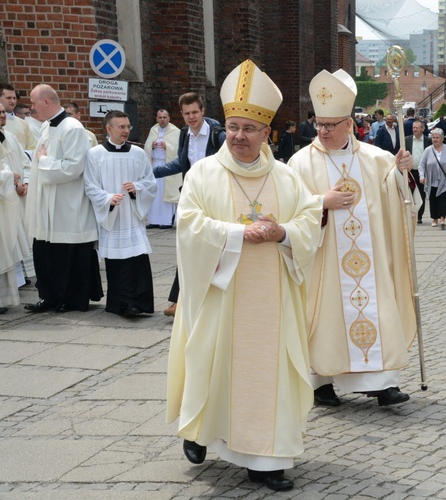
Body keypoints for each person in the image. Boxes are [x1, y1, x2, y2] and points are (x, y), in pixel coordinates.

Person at [166, 59, 321, 492]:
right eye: (232, 127)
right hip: (221, 296)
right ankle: (200, 433)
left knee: (268, 374)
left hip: (272, 301)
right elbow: (189, 225)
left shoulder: (286, 178)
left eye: (248, 129)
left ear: (266, 133)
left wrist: (283, 232)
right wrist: (237, 234)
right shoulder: (203, 174)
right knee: (212, 366)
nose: (238, 136)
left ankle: (265, 458)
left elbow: (310, 220)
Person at [288, 68, 419, 408]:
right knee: (324, 317)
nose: (323, 131)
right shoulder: (300, 163)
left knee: (376, 311)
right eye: (319, 124)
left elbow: (399, 201)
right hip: (323, 260)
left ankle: (382, 383)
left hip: (370, 261)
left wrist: (402, 171)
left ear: (349, 123)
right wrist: (321, 203)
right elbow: (289, 208)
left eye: (331, 125)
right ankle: (321, 382)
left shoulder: (376, 159)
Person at [24, 84, 103, 313]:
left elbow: (73, 167)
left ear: (46, 102)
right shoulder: (47, 127)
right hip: (48, 204)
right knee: (46, 253)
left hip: (67, 206)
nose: (32, 107)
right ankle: (51, 297)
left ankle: (72, 299)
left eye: (34, 102)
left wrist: (44, 161)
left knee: (67, 255)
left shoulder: (73, 128)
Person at [153, 92, 226, 317]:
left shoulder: (218, 136)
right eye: (186, 113)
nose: (191, 117)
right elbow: (182, 163)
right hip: (191, 196)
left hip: (214, 197)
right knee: (187, 245)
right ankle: (179, 300)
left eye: (195, 112)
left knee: (211, 247)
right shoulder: (186, 135)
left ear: (203, 111)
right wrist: (151, 172)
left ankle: (198, 299)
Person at [84, 110, 157, 317]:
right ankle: (121, 304)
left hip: (132, 216)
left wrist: (137, 188)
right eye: (121, 127)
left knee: (137, 261)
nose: (126, 131)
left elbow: (150, 182)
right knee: (117, 263)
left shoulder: (138, 153)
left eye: (128, 127)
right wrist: (108, 199)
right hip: (113, 217)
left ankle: (140, 303)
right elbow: (90, 186)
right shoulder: (95, 154)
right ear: (109, 129)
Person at [0, 107, 30, 314]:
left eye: (2, 113)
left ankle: (1, 299)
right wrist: (10, 178)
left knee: (4, 248)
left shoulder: (6, 137)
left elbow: (23, 162)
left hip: (6, 202)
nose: (1, 116)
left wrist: (21, 180)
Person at [143, 108, 181, 229]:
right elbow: (146, 147)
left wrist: (167, 147)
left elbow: (178, 151)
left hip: (168, 167)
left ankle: (166, 221)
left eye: (165, 117)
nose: (162, 120)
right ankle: (153, 220)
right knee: (154, 193)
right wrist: (151, 146)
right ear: (157, 118)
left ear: (169, 118)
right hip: (155, 164)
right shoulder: (153, 130)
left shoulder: (176, 131)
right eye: (160, 117)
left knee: (166, 194)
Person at [419, 128, 446, 229]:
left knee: (442, 199)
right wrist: (422, 176)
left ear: (442, 139)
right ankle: (435, 218)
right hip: (431, 179)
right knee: (433, 199)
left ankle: (442, 218)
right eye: (433, 138)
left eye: (437, 138)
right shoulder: (428, 150)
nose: (435, 140)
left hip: (444, 180)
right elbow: (421, 165)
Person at [405, 118, 431, 222]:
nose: (415, 129)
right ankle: (411, 214)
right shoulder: (407, 140)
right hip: (410, 172)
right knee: (410, 193)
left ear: (423, 129)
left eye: (417, 128)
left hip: (422, 172)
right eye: (413, 128)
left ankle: (419, 216)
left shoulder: (428, 141)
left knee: (421, 194)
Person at [0, 83, 36, 152]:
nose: (13, 101)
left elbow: (32, 147)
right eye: (8, 98)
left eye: (14, 98)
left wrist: (22, 156)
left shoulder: (23, 123)